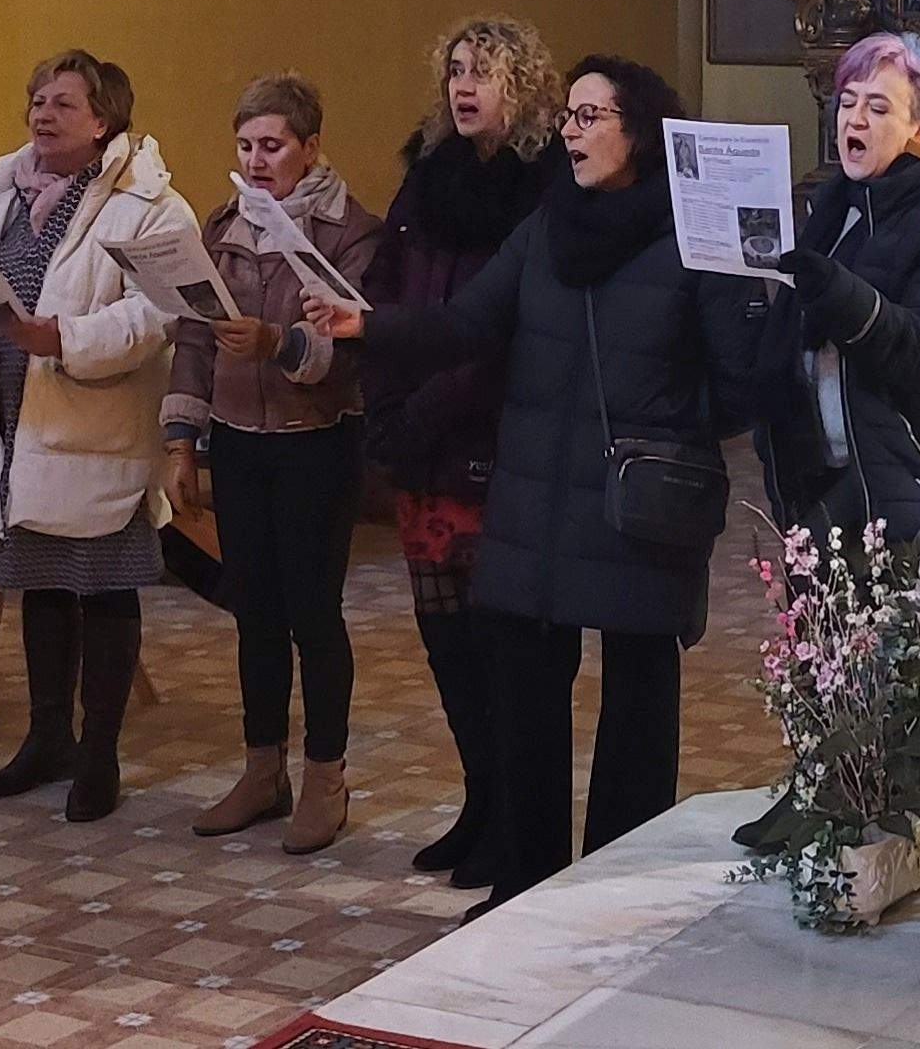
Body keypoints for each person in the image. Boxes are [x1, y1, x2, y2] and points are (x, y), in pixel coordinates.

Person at [310, 56, 796, 912]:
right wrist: (368, 326)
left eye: (591, 116)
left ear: (639, 132)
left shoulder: (698, 237)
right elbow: (467, 324)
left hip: (638, 497)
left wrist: (666, 421)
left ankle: (614, 886)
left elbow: (743, 383)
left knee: (639, 700)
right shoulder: (545, 226)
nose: (570, 131)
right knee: (526, 693)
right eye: (568, 116)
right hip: (535, 494)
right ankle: (527, 883)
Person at [0, 50, 192, 823]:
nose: (43, 114)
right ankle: (49, 737)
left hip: (92, 423)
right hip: (15, 423)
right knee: (40, 584)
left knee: (104, 585)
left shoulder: (149, 204)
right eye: (37, 100)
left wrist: (65, 338)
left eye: (63, 104)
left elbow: (157, 313)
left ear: (104, 118)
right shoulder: (2, 197)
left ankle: (101, 754)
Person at [358, 17, 567, 887]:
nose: (464, 86)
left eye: (484, 71)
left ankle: (514, 821)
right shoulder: (428, 172)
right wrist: (388, 394)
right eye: (454, 70)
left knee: (497, 649)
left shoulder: (541, 182)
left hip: (490, 438)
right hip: (421, 441)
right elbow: (386, 289)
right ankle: (480, 802)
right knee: (444, 641)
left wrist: (429, 405)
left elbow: (507, 328)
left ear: (522, 85)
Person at [735, 33, 920, 852]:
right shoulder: (830, 204)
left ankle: (884, 834)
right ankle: (822, 799)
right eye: (846, 103)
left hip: (895, 469)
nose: (852, 120)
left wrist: (841, 299)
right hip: (815, 466)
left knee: (894, 668)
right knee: (822, 652)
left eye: (877, 106)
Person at [165, 73, 385, 853]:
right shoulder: (225, 221)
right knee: (253, 612)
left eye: (273, 146)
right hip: (238, 438)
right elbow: (194, 334)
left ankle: (326, 776)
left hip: (315, 440)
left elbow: (353, 348)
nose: (257, 162)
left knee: (311, 616)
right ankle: (264, 770)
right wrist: (181, 440)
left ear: (311, 147)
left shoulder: (349, 230)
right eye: (246, 146)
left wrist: (279, 343)